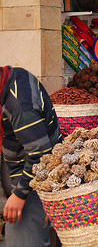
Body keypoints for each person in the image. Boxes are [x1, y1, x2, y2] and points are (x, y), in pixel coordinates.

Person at [0, 66, 62, 246]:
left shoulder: (21, 107)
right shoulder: (14, 75)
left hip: (32, 183)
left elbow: (40, 155)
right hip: (21, 169)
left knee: (24, 238)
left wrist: (19, 195)